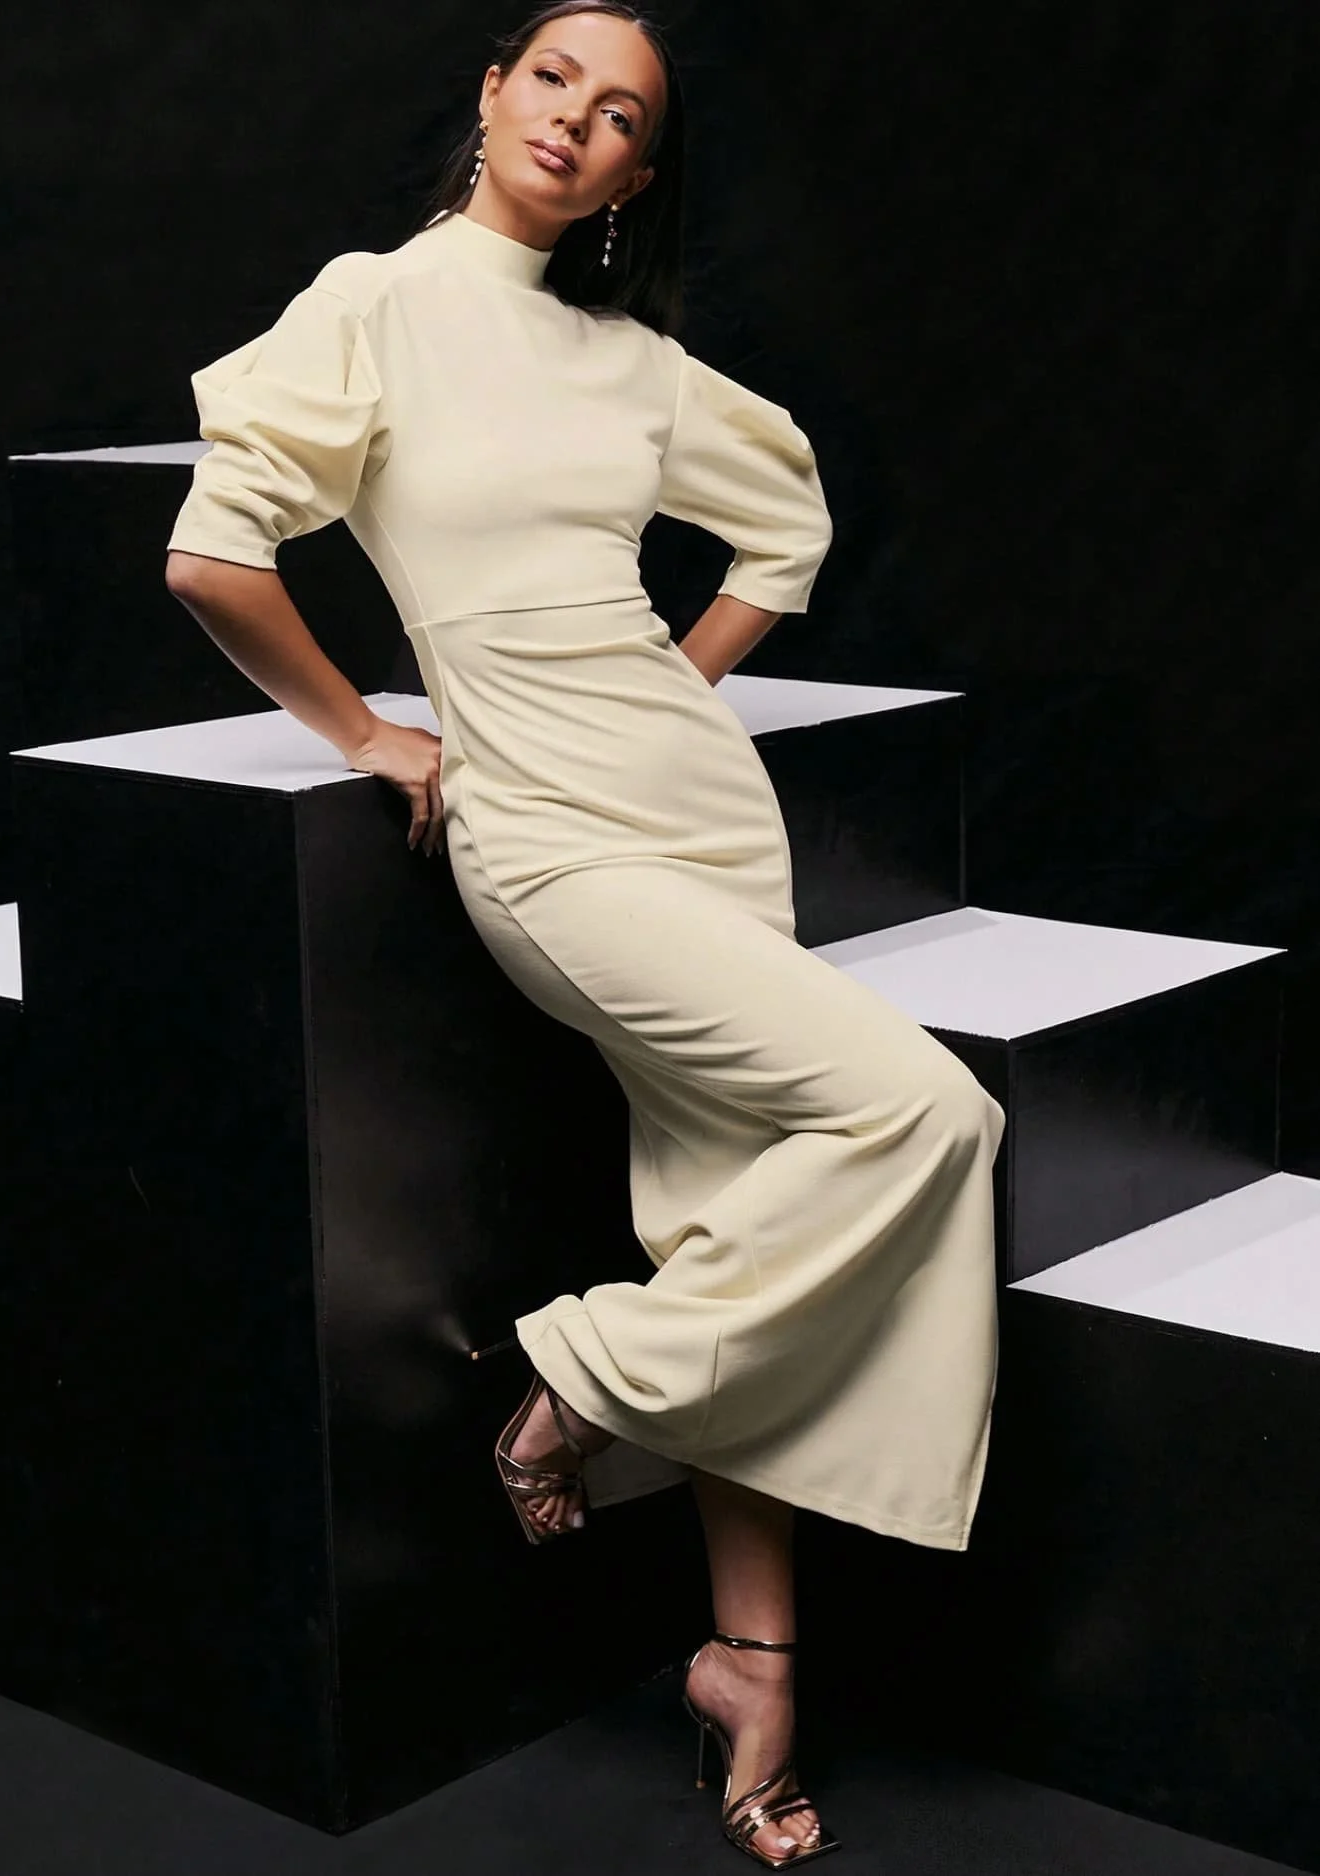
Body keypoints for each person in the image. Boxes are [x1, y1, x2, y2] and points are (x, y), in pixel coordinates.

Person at [164, 4, 1005, 1864]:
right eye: (555, 79)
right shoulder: (374, 304)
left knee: (728, 1215)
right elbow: (216, 554)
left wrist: (674, 688)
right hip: (547, 839)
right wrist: (373, 733)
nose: (579, 122)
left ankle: (751, 1663)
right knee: (926, 1116)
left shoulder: (634, 362)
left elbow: (778, 532)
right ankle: (586, 1383)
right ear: (489, 91)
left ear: (634, 173)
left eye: (622, 114)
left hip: (700, 822)